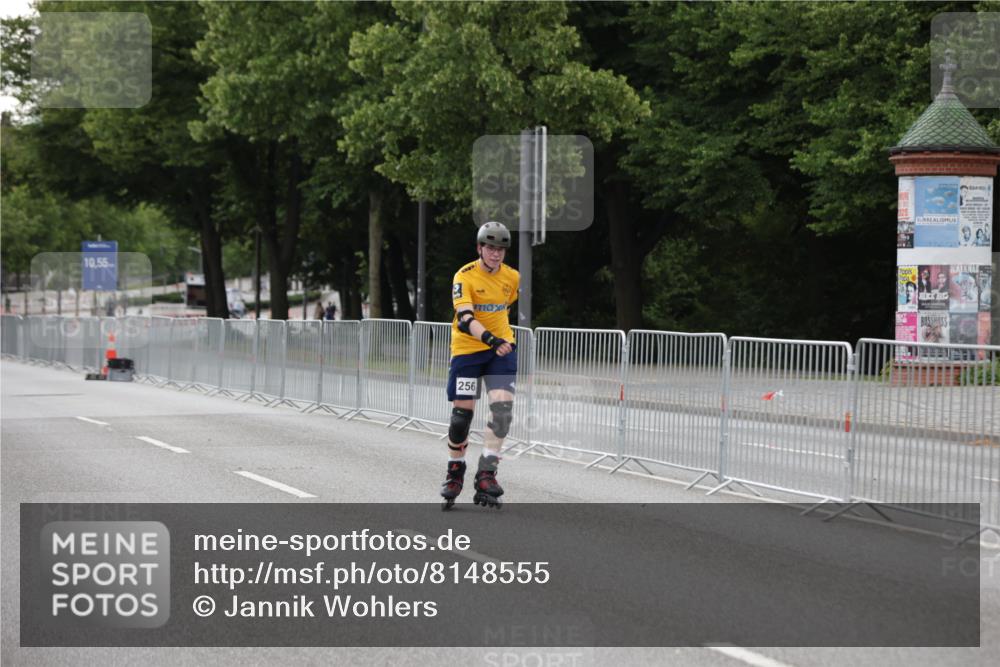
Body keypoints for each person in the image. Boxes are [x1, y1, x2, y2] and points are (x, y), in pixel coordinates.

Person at [440, 221, 519, 510]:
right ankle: (455, 471)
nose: (496, 254)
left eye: (501, 249)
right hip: (468, 351)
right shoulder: (464, 276)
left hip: (501, 351)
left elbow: (505, 308)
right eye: (490, 248)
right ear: (479, 248)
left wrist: (499, 342)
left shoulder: (512, 277)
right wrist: (490, 339)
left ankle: (486, 474)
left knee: (502, 414)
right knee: (461, 419)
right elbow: (464, 318)